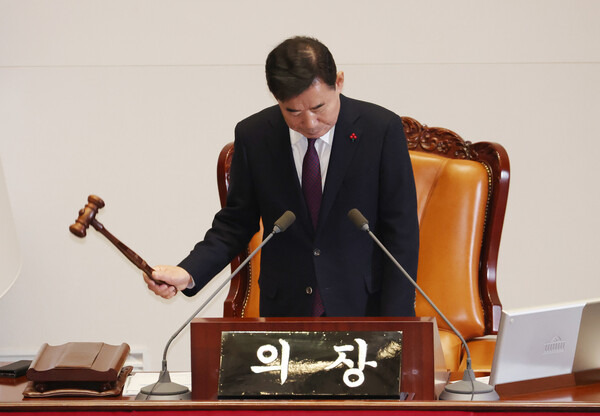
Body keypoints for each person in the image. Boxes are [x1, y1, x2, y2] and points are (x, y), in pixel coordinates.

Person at [144, 36, 419, 317]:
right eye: (294, 112)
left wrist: (398, 324)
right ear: (277, 98)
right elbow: (236, 223)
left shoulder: (380, 130)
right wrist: (188, 271)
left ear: (339, 81)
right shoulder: (255, 135)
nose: (309, 123)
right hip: (286, 310)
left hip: (363, 308)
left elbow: (401, 231)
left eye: (318, 108)